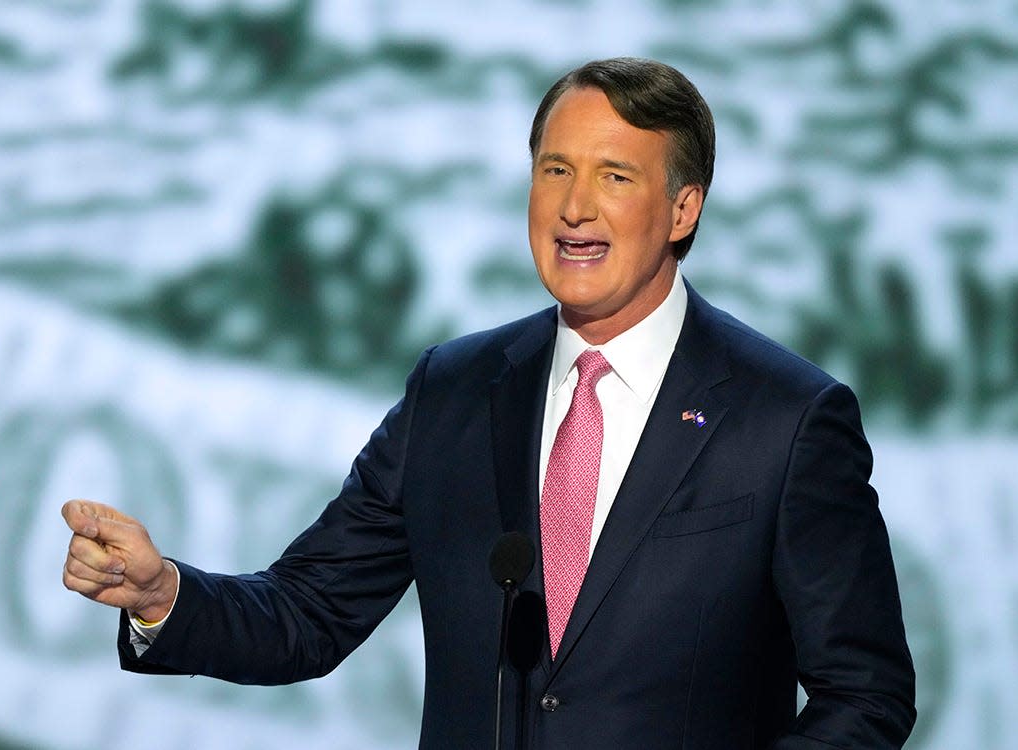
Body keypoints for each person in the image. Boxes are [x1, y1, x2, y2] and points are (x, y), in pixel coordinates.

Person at [62, 57, 916, 748]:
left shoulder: (785, 417)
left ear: (682, 209)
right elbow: (308, 612)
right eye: (554, 170)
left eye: (615, 176)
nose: (574, 207)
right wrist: (161, 592)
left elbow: (865, 697)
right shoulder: (456, 390)